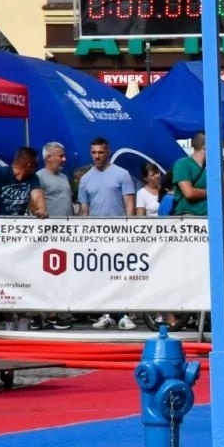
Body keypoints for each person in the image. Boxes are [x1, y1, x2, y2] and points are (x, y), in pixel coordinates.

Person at [78, 137, 137, 330]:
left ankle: (124, 314)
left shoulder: (122, 174)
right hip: (97, 235)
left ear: (108, 152)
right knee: (102, 276)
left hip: (119, 232)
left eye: (100, 152)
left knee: (121, 275)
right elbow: (84, 210)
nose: (97, 156)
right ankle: (106, 314)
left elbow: (130, 204)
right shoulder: (85, 179)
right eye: (93, 152)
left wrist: (129, 228)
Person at [171, 133, 219, 217]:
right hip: (190, 218)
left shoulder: (211, 167)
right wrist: (213, 192)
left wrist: (218, 164)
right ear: (206, 147)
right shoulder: (183, 164)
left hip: (211, 217)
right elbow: (189, 193)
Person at [38, 142, 74, 217]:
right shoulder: (39, 177)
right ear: (49, 158)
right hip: (51, 226)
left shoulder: (64, 177)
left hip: (69, 225)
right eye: (61, 156)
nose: (64, 159)